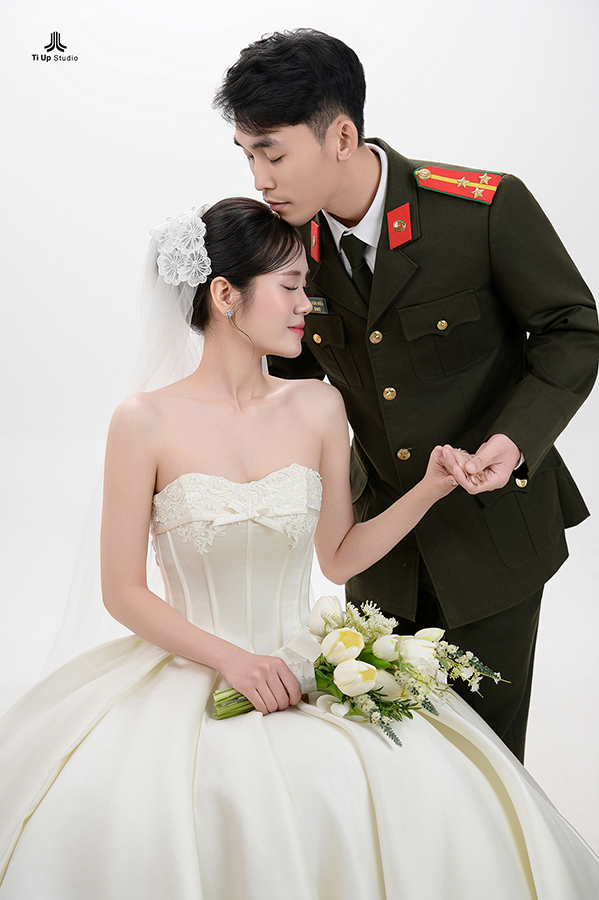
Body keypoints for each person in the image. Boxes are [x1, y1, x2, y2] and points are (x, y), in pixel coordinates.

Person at [1, 198, 599, 899]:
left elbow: (338, 556)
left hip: (302, 664)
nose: (305, 306)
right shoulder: (143, 421)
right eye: (288, 286)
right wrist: (234, 661)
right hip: (197, 665)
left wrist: (431, 489)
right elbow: (122, 590)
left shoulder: (318, 405)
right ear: (225, 295)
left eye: (306, 287)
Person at [214, 28, 599, 762]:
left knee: (486, 761)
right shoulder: (286, 250)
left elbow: (571, 330)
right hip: (377, 544)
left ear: (341, 136)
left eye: (273, 153)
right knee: (385, 762)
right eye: (246, 156)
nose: (259, 178)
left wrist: (514, 439)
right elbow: (286, 380)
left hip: (493, 534)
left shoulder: (480, 210)